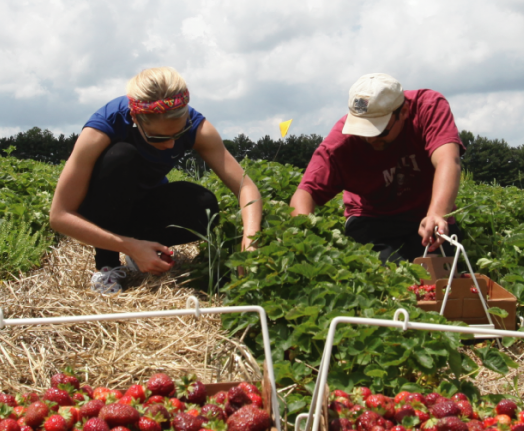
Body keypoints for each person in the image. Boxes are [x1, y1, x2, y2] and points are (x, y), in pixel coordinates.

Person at [50, 66, 262, 294]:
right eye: (158, 137)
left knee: (204, 205)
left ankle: (146, 247)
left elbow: (245, 187)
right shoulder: (102, 127)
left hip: (144, 202)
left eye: (178, 135)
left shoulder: (198, 127)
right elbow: (60, 216)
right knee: (121, 156)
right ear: (135, 119)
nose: (171, 145)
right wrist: (128, 246)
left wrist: (250, 243)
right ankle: (107, 264)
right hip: (104, 204)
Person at [289, 73, 464, 264]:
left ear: (403, 112)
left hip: (426, 215)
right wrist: (305, 243)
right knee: (390, 275)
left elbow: (447, 160)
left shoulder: (428, 107)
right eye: (363, 130)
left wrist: (436, 214)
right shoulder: (341, 143)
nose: (370, 139)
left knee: (440, 277)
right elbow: (305, 193)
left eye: (379, 130)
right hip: (372, 219)